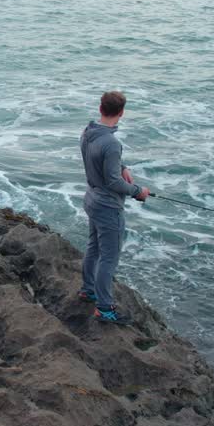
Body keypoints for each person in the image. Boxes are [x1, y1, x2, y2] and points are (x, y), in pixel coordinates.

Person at [79, 90, 149, 325]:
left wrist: (123, 166)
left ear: (100, 109)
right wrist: (138, 191)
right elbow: (113, 182)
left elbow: (105, 161)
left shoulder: (88, 132)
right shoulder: (111, 143)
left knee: (93, 247)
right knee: (109, 258)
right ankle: (104, 308)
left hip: (91, 199)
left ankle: (88, 290)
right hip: (107, 207)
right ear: (121, 113)